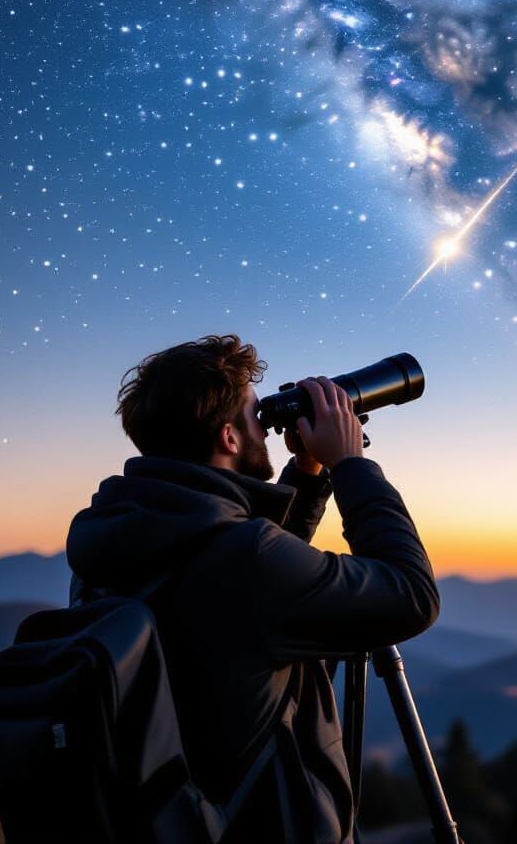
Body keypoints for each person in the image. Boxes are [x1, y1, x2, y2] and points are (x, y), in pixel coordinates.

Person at [65, 334, 440, 843]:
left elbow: (246, 597)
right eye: (254, 415)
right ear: (229, 438)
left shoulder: (112, 543)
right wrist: (350, 465)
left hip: (175, 821)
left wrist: (307, 473)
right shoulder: (245, 560)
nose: (265, 427)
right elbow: (412, 595)